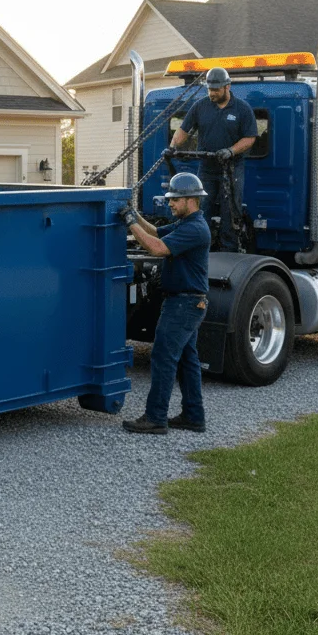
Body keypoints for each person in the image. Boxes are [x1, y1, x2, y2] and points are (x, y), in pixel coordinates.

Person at [118, 172, 212, 434]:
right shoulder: (187, 223)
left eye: (174, 199)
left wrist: (129, 223)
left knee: (163, 357)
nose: (169, 203)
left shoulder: (194, 229)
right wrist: (134, 215)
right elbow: (156, 233)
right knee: (187, 360)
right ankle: (193, 416)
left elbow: (157, 248)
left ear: (190, 200)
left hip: (183, 304)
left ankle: (155, 417)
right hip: (189, 303)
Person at [166, 67, 257, 251]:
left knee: (230, 211)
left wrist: (231, 151)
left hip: (232, 170)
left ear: (227, 87)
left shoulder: (242, 109)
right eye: (209, 89)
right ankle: (200, 247)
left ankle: (228, 251)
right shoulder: (200, 106)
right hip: (207, 169)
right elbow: (183, 131)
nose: (212, 93)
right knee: (201, 209)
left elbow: (250, 138)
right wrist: (172, 147)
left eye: (215, 90)